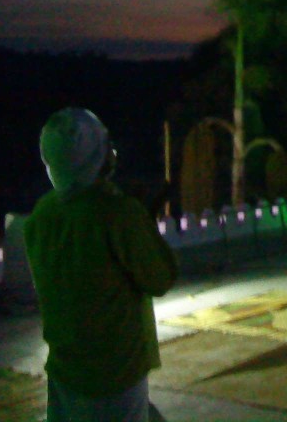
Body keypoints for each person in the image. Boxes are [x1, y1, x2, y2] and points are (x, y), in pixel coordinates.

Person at [24, 107, 178, 422]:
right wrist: (143, 220)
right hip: (115, 373)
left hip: (64, 368)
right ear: (98, 156)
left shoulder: (42, 213)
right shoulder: (118, 214)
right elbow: (160, 278)